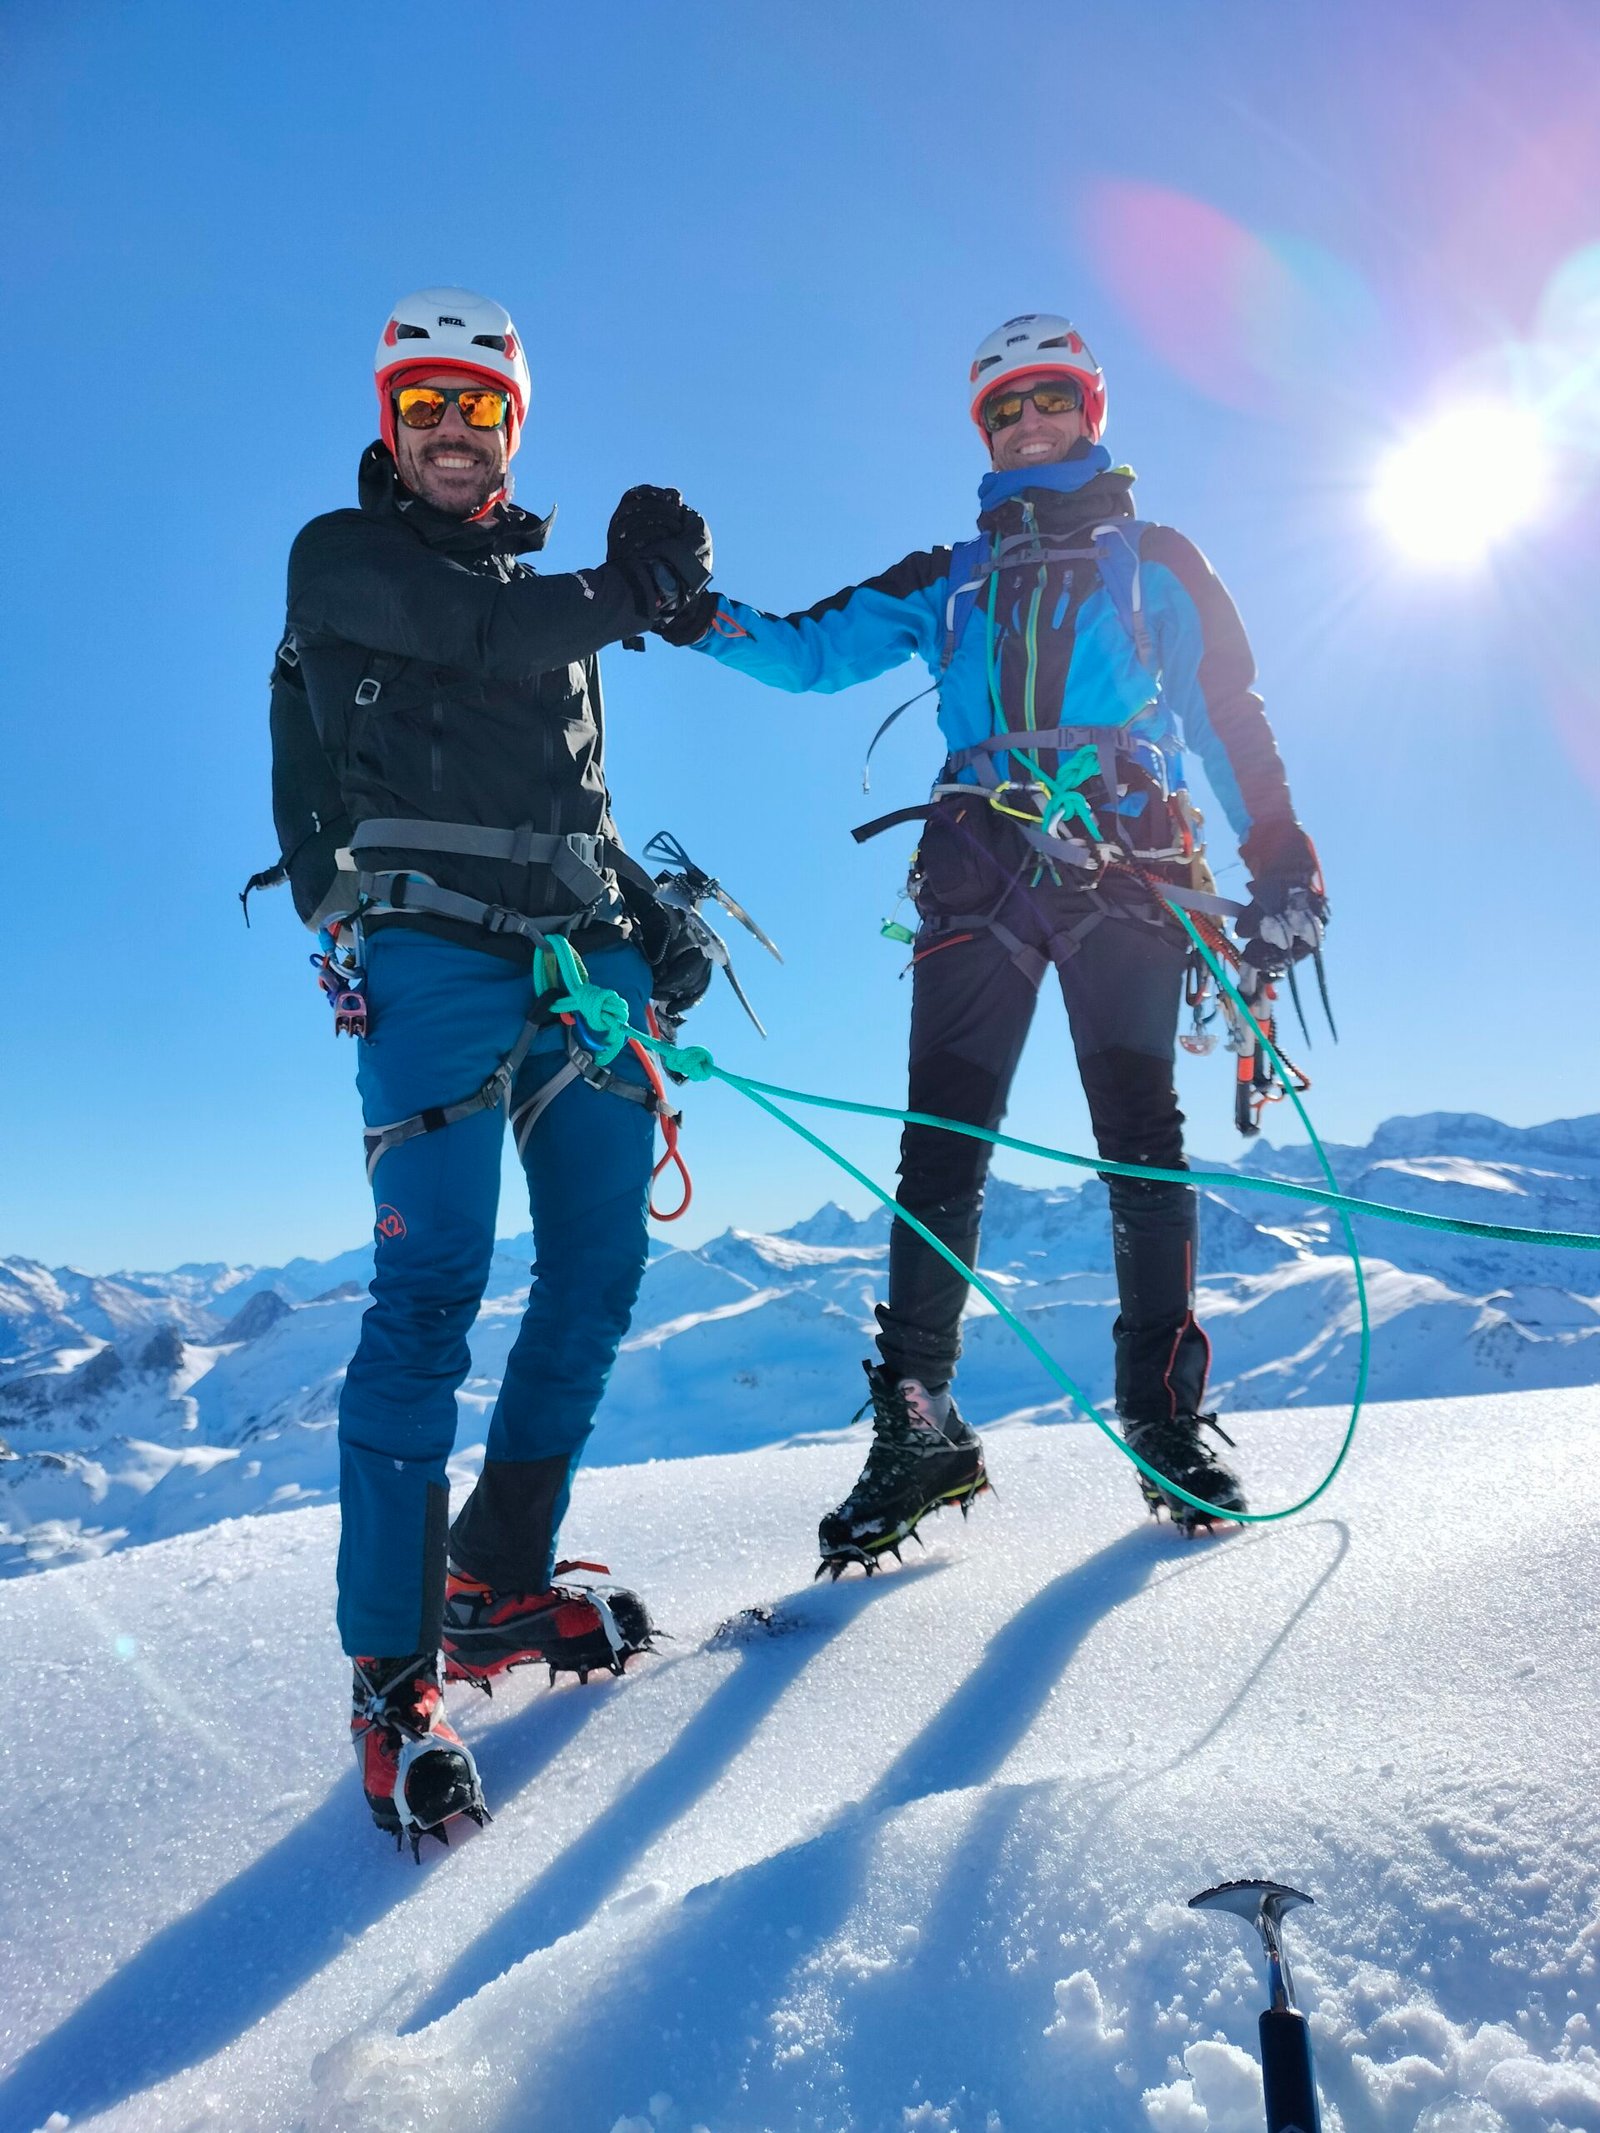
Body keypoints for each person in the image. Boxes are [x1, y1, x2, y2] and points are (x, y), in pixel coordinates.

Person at [659, 313, 1327, 1573]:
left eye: (1050, 401)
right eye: (1004, 410)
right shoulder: (951, 573)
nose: (1029, 425)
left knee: (1139, 1137)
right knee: (943, 1145)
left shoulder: (1158, 558)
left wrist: (1280, 855)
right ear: (985, 429)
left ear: (1092, 406)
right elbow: (810, 653)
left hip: (1124, 852)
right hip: (981, 863)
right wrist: (692, 616)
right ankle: (919, 1424)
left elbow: (1225, 712)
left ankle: (1164, 1424)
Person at [283, 287, 717, 1851]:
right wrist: (633, 582)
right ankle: (393, 1677)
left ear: (511, 426)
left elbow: (585, 801)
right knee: (432, 1295)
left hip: (572, 963)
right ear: (390, 424)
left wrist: (650, 923)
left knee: (600, 1262)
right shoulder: (340, 562)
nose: (453, 434)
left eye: (480, 411)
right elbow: (472, 633)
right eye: (427, 409)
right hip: (430, 962)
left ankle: (494, 1582)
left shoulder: (554, 600)